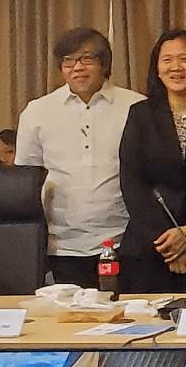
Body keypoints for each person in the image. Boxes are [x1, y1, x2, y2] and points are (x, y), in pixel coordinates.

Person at [14, 27, 144, 286]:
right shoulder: (37, 111)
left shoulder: (136, 106)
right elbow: (25, 181)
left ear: (104, 63)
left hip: (124, 240)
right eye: (68, 60)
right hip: (61, 244)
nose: (77, 67)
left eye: (87, 58)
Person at [116, 29, 186, 293]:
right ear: (157, 70)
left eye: (184, 59)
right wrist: (169, 243)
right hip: (148, 248)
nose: (176, 67)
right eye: (167, 60)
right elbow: (132, 182)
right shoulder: (141, 114)